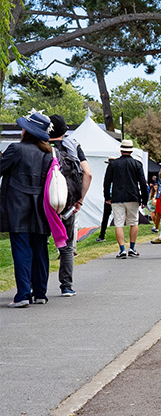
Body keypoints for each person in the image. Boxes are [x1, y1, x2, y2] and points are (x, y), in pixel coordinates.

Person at [2, 111, 68, 307]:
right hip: (42, 207)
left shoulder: (16, 149)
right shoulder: (48, 153)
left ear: (28, 131)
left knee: (21, 250)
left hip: (17, 206)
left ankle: (23, 294)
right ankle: (40, 292)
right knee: (40, 250)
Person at [48, 115, 92, 297]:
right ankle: (66, 286)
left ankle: (39, 287)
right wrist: (79, 200)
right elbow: (88, 174)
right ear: (65, 131)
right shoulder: (73, 146)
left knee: (41, 243)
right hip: (67, 203)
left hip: (46, 203)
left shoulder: (42, 147)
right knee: (66, 246)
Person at [103, 138, 149, 258]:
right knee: (134, 222)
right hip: (133, 196)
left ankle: (122, 249)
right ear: (132, 151)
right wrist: (144, 199)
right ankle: (132, 248)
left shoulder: (113, 164)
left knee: (119, 223)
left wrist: (107, 197)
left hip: (117, 197)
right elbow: (143, 183)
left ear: (121, 150)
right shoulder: (137, 164)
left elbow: (107, 182)